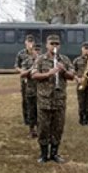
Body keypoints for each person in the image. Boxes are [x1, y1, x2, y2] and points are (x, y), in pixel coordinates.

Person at [31, 34, 74, 163]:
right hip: (44, 100)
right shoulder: (40, 59)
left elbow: (72, 76)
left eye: (56, 44)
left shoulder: (64, 59)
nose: (54, 46)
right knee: (43, 128)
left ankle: (54, 153)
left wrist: (63, 70)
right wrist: (49, 73)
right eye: (52, 44)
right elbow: (34, 75)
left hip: (59, 100)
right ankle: (44, 154)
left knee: (58, 127)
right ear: (47, 45)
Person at [19, 42, 40, 138]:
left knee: (40, 112)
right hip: (31, 90)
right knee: (31, 111)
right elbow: (22, 74)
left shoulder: (44, 61)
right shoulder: (27, 61)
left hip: (42, 92)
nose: (37, 52)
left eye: (39, 50)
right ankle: (32, 130)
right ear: (32, 51)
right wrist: (31, 69)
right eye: (35, 50)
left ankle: (41, 130)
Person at [14, 34, 36, 128]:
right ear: (25, 43)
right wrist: (21, 71)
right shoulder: (21, 53)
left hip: (35, 80)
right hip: (25, 79)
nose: (30, 44)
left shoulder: (37, 53)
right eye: (28, 41)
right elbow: (16, 66)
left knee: (34, 99)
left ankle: (34, 118)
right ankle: (26, 118)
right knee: (25, 99)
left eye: (31, 42)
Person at [73, 41, 88, 125]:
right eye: (85, 48)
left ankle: (87, 118)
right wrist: (77, 79)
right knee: (81, 102)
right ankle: (81, 118)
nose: (86, 50)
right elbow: (73, 72)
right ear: (82, 49)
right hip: (81, 83)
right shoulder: (77, 60)